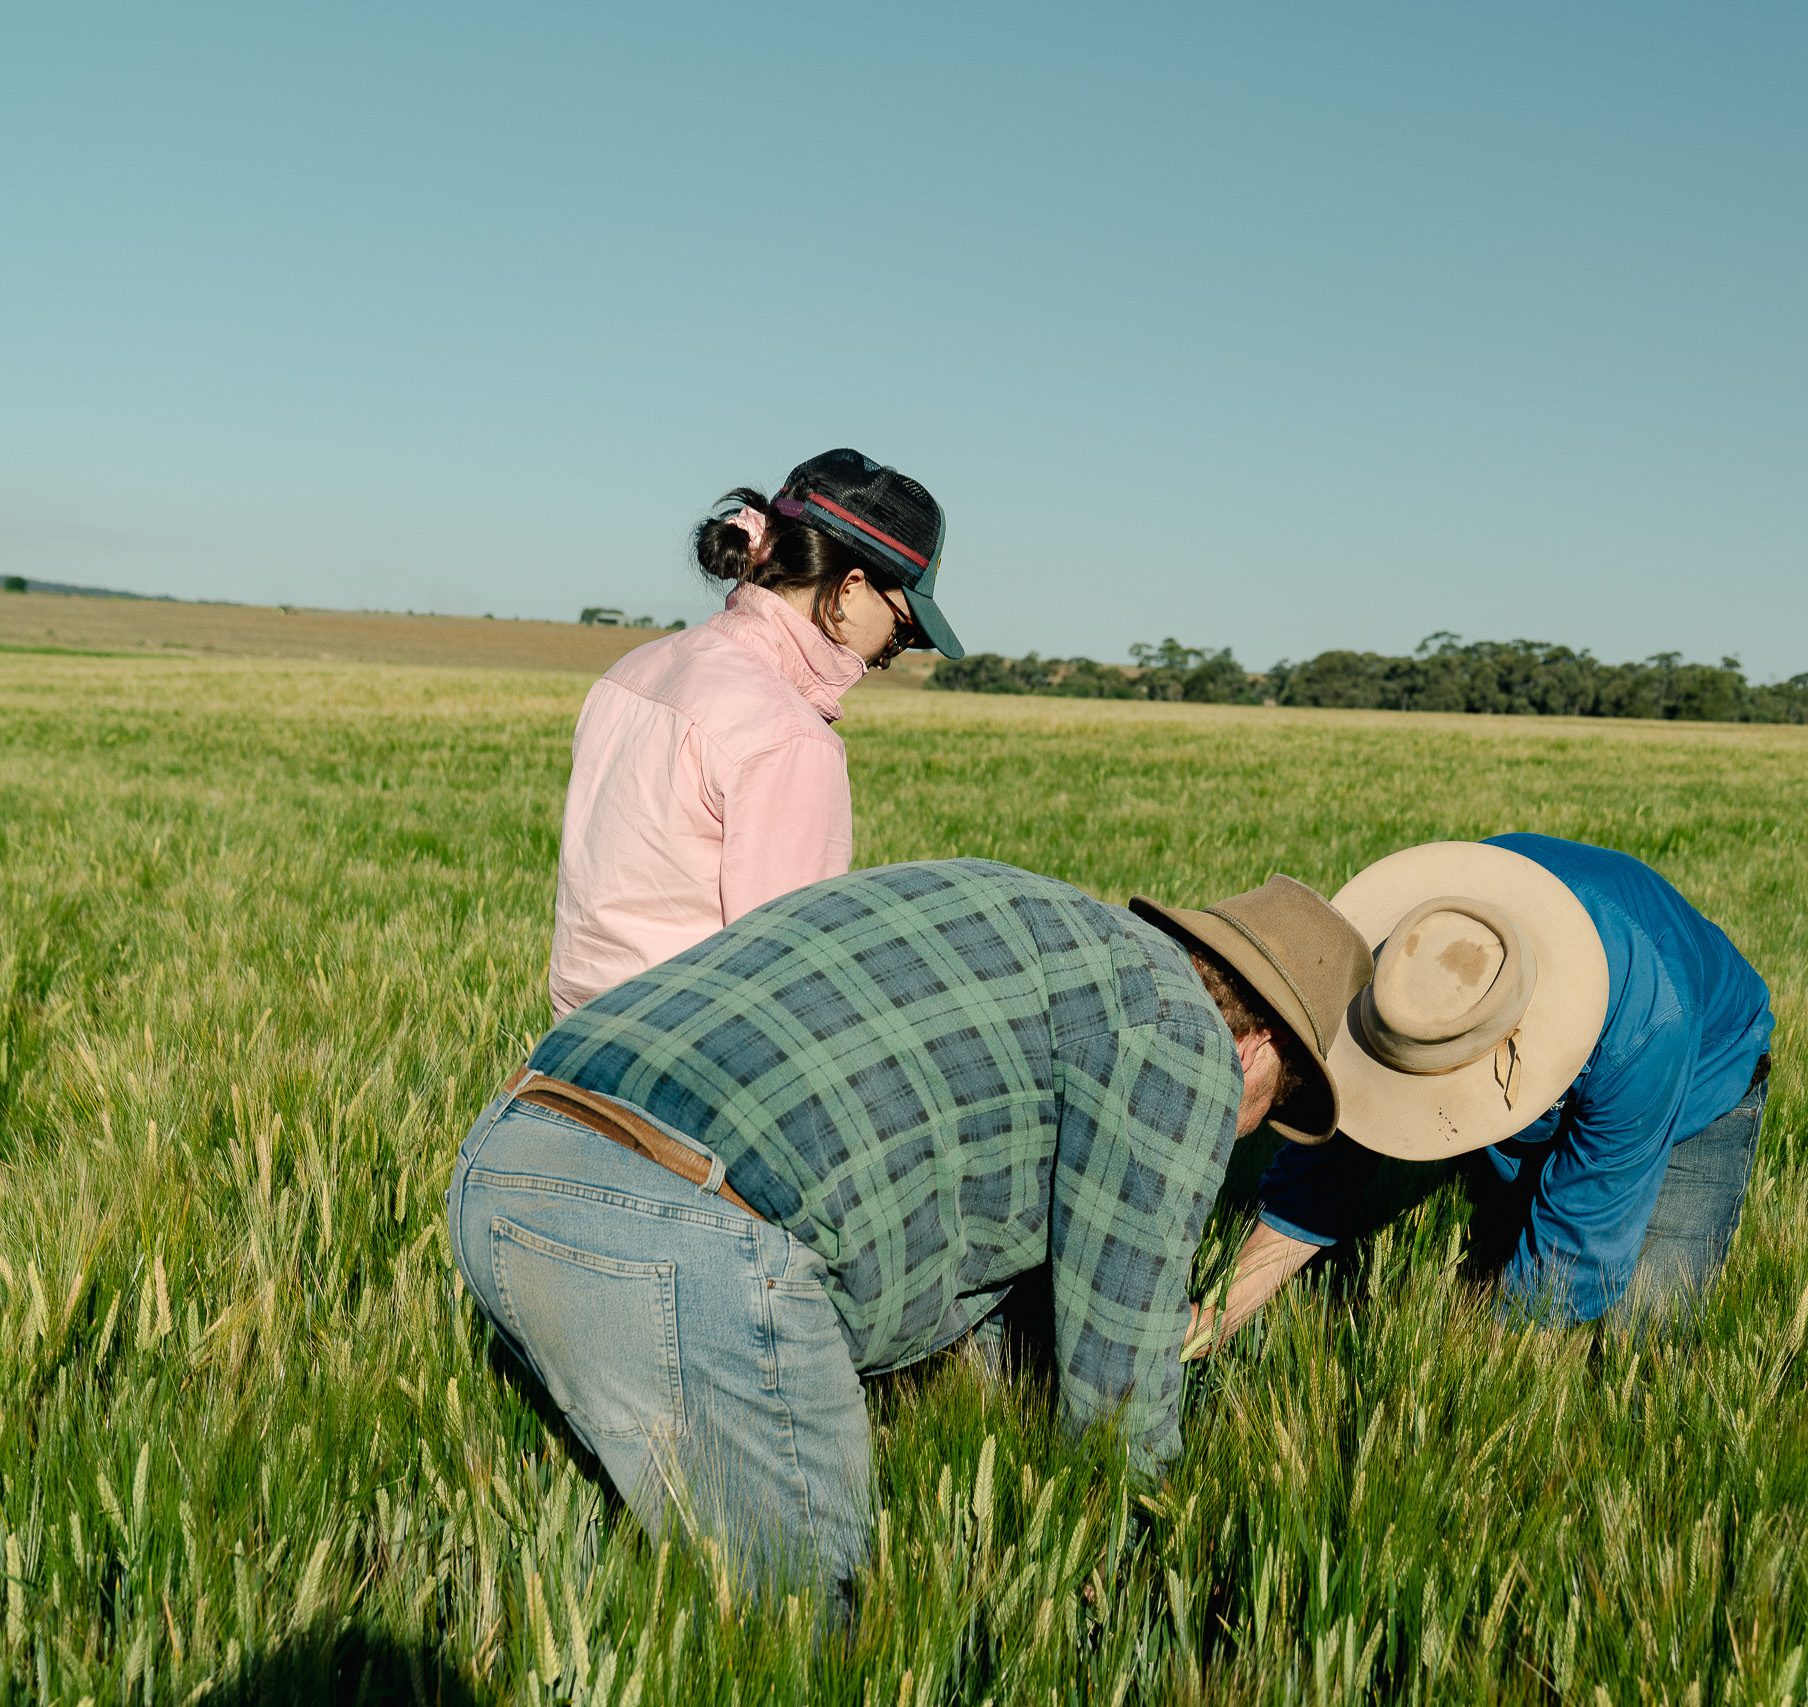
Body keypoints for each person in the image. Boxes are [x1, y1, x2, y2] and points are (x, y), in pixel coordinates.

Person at [449, 858, 1371, 1596]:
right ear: (1257, 1052)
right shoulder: (1184, 1037)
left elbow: (975, 1217)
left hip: (505, 1155)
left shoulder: (1040, 926)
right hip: (690, 1233)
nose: (1231, 1135)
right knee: (821, 1633)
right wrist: (1138, 1576)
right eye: (1262, 1114)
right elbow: (1118, 1384)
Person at [1189, 833, 1774, 1347]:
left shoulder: (1646, 1027)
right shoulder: (1411, 965)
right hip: (1601, 1056)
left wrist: (1474, 1384)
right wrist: (1217, 1317)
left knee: (1644, 1325)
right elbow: (1323, 1170)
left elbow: (1574, 1252)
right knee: (1494, 1271)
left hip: (1700, 1081)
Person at [547, 449, 968, 1017]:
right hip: (693, 1051)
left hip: (573, 1041)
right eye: (902, 632)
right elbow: (788, 983)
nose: (888, 657)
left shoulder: (630, 673)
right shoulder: (791, 739)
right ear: (849, 589)